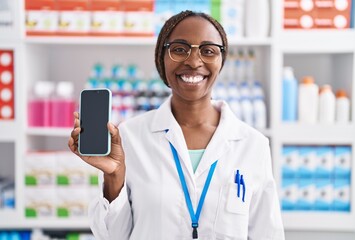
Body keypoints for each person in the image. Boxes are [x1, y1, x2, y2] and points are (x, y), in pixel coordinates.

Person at [68, 10, 285, 240]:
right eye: (179, 49)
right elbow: (112, 236)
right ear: (162, 58)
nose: (193, 61)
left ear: (221, 61)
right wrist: (114, 177)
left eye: (208, 50)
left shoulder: (252, 145)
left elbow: (268, 234)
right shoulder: (129, 137)